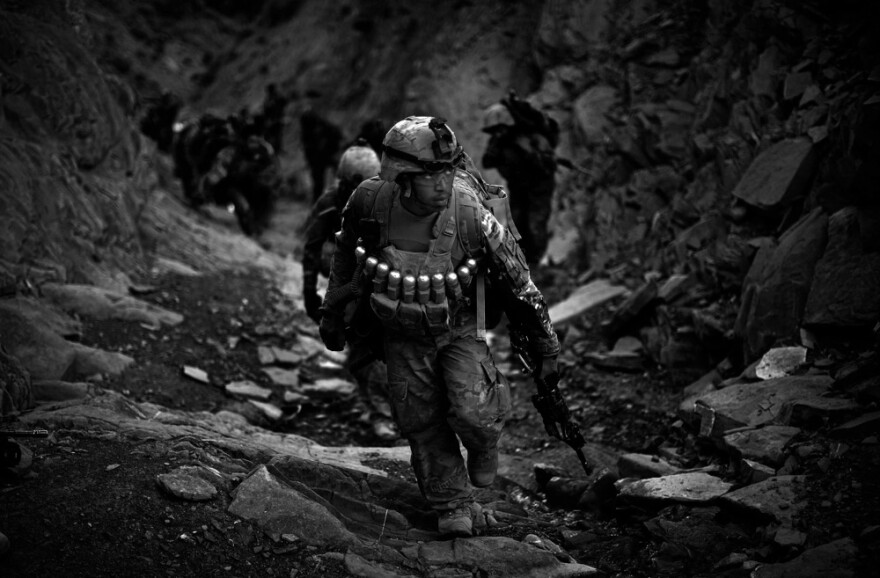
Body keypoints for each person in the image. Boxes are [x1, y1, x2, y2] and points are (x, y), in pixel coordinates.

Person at [318, 116, 560, 537]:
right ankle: (452, 503)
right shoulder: (370, 203)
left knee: (475, 413)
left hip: (462, 326)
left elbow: (519, 281)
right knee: (421, 420)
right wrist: (332, 312)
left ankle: (485, 445)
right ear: (403, 176)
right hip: (402, 334)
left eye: (449, 170)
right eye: (433, 172)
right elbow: (345, 252)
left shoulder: (470, 212)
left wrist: (546, 346)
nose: (444, 181)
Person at [301, 141, 399, 442]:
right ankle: (380, 411)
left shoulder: (388, 200)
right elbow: (312, 245)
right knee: (362, 344)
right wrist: (311, 292)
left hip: (383, 277)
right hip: (349, 278)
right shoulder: (331, 202)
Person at [481, 90, 559, 266]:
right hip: (519, 188)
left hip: (538, 186)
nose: (497, 133)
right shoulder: (498, 143)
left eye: (499, 128)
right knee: (517, 225)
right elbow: (487, 161)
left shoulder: (529, 139)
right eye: (494, 130)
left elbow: (544, 162)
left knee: (535, 224)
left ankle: (538, 263)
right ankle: (521, 263)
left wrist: (532, 158)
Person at [300, 109, 343, 202]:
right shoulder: (308, 131)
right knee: (318, 184)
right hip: (318, 158)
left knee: (340, 178)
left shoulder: (324, 126)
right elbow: (308, 149)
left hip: (328, 154)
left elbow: (337, 135)